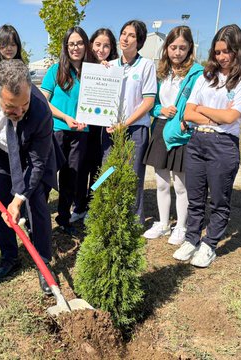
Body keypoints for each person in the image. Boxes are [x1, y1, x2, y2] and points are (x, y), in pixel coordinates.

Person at [0, 59, 63, 294]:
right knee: (2, 207)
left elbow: (37, 163)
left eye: (23, 105)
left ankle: (43, 263)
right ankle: (9, 258)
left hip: (30, 156)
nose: (19, 112)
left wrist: (20, 198)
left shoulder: (39, 110)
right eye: (11, 108)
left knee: (36, 205)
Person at [173, 24, 241, 267]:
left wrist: (203, 110)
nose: (222, 57)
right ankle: (192, 238)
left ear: (238, 51)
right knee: (195, 196)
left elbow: (231, 118)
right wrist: (213, 115)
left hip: (223, 145)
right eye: (217, 52)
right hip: (197, 141)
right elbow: (187, 112)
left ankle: (210, 244)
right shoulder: (205, 77)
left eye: (227, 51)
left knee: (218, 199)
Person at [142, 26, 203, 245]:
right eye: (173, 47)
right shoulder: (161, 73)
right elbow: (153, 105)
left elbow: (199, 103)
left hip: (182, 132)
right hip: (159, 129)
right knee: (161, 182)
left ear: (189, 49)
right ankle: (163, 223)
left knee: (180, 184)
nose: (177, 52)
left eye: (182, 48)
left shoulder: (197, 74)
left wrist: (186, 120)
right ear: (166, 47)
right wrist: (161, 111)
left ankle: (181, 226)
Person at [102, 20, 157, 224]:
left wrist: (124, 124)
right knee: (107, 172)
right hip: (110, 129)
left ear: (139, 40)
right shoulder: (111, 65)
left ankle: (134, 221)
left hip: (135, 128)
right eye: (123, 33)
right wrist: (101, 72)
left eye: (131, 35)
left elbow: (149, 101)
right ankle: (107, 215)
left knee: (133, 176)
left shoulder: (146, 65)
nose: (125, 38)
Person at [40, 26, 93, 234]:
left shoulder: (93, 71)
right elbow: (43, 101)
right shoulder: (55, 70)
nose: (75, 47)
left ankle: (64, 219)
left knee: (71, 178)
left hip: (81, 133)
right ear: (66, 46)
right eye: (71, 44)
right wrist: (64, 117)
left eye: (79, 43)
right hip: (58, 131)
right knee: (48, 177)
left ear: (85, 45)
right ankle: (39, 221)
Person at [70, 28, 119, 223]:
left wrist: (109, 70)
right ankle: (79, 206)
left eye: (106, 45)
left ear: (112, 48)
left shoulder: (114, 68)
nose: (101, 49)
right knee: (82, 167)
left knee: (101, 169)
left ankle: (94, 204)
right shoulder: (83, 67)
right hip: (85, 126)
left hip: (105, 129)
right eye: (97, 44)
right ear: (91, 45)